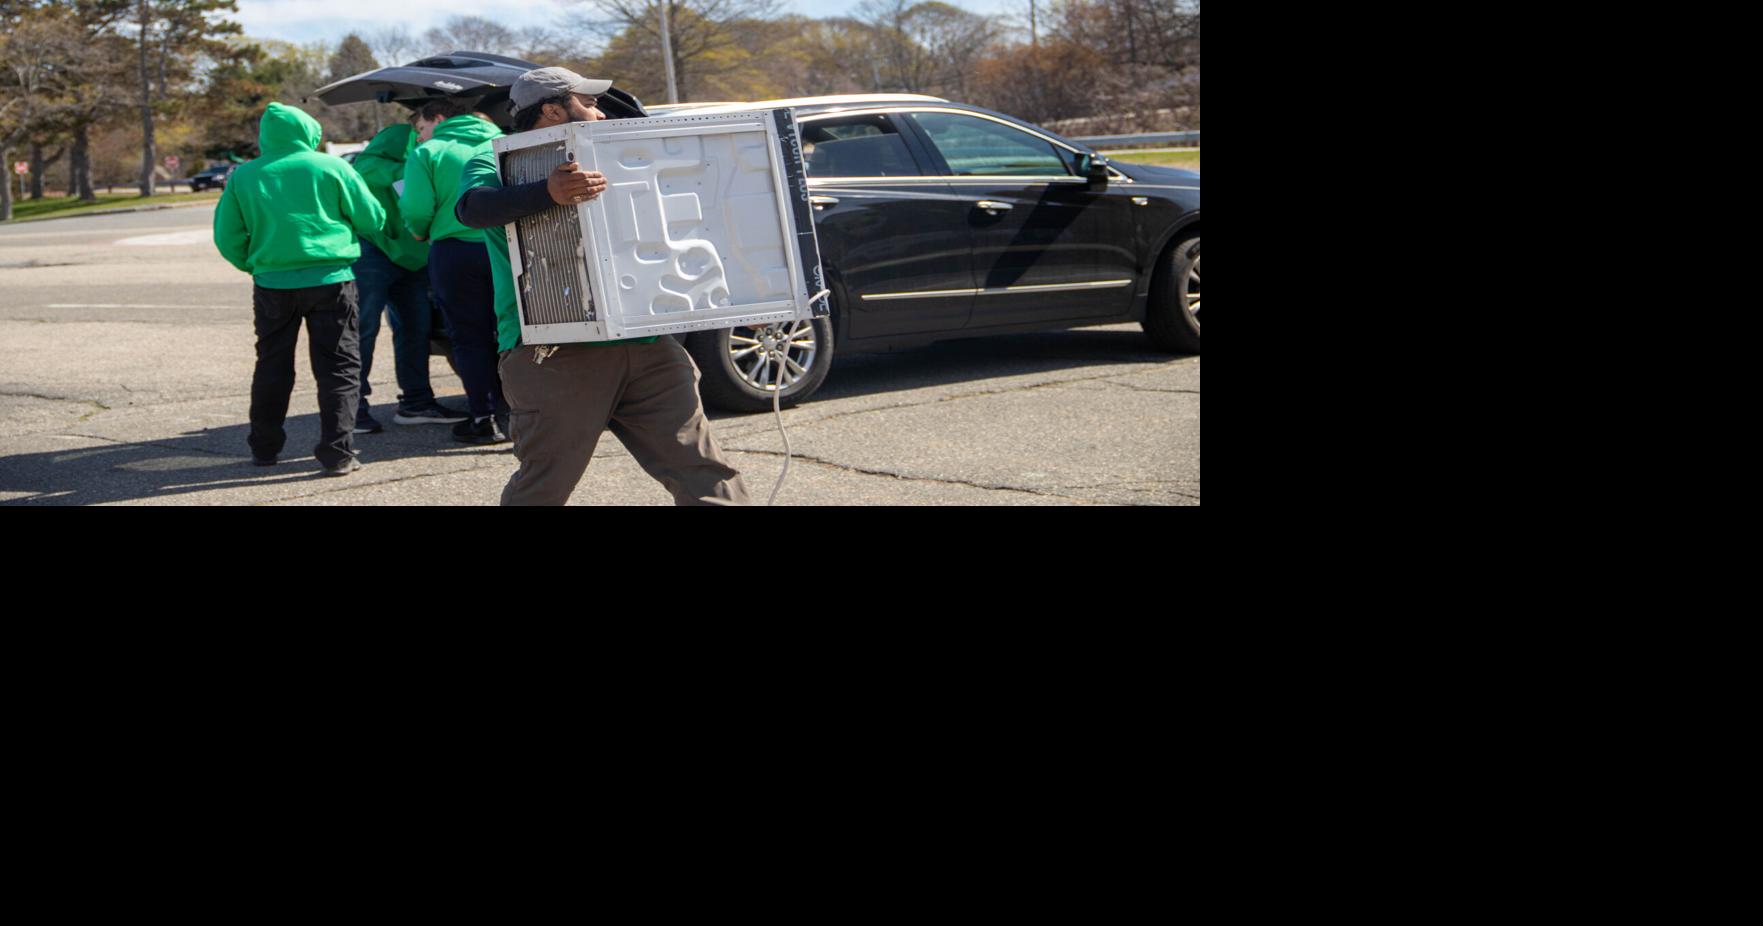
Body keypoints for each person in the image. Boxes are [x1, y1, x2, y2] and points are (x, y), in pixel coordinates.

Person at [453, 67, 750, 506]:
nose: (601, 112)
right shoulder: (491, 158)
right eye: (589, 103)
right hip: (554, 351)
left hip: (647, 343)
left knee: (704, 471)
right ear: (553, 110)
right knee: (545, 486)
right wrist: (547, 193)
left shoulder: (615, 152)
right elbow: (472, 209)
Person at [213, 103, 385, 477]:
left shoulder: (244, 176)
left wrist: (256, 264)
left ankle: (264, 448)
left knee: (272, 365)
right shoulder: (333, 166)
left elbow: (226, 237)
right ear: (310, 131)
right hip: (331, 280)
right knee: (338, 367)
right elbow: (373, 218)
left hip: (273, 284)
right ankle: (338, 452)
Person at [346, 118, 468, 433]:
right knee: (363, 331)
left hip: (414, 256)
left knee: (415, 329)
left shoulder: (445, 149)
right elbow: (367, 171)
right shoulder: (393, 148)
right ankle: (352, 410)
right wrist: (414, 168)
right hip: (376, 250)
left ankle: (415, 403)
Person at [400, 99, 508, 444]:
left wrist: (419, 231)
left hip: (456, 252)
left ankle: (484, 416)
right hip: (508, 247)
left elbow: (416, 208)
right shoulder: (506, 142)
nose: (418, 136)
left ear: (439, 118)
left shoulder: (429, 151)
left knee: (469, 336)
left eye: (420, 128)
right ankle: (524, 413)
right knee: (515, 331)